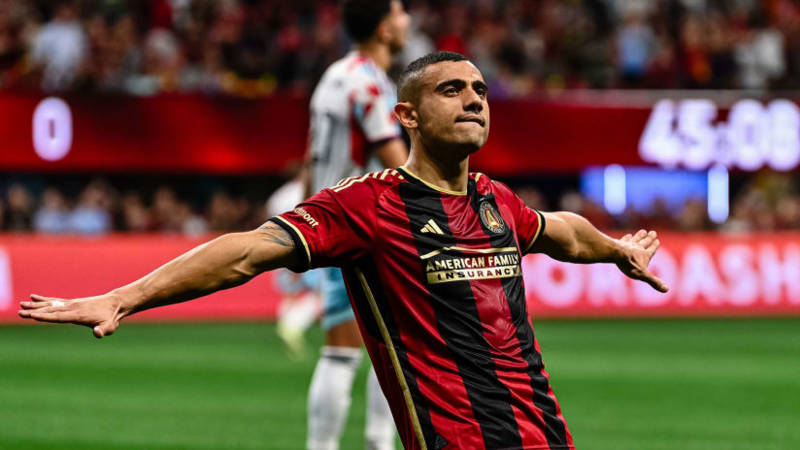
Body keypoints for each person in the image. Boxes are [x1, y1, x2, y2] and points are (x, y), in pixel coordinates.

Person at [19, 51, 669, 450]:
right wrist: (125, 296)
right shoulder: (369, 204)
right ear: (406, 116)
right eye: (451, 90)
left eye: (478, 90)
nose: (473, 99)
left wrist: (615, 250)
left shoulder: (495, 200)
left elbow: (559, 230)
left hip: (549, 437)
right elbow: (248, 252)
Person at [303, 1, 409, 449]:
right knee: (383, 346)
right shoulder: (369, 82)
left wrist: (305, 220)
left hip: (325, 218)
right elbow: (394, 158)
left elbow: (310, 157)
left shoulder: (333, 75)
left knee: (346, 348)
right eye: (400, 13)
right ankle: (376, 443)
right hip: (363, 225)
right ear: (384, 28)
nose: (407, 21)